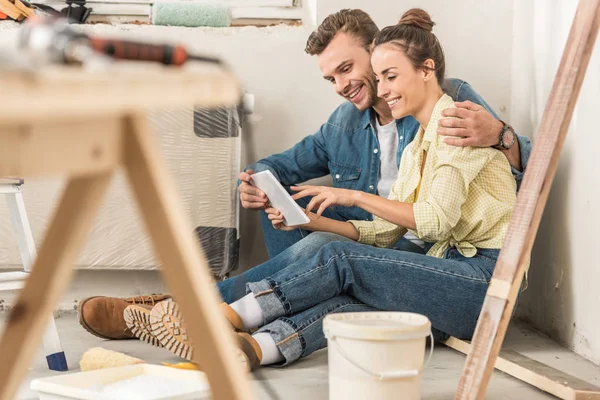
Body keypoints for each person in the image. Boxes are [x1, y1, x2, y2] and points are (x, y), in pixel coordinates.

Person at [76, 8, 530, 344]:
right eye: (330, 78)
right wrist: (256, 183)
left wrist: (503, 134)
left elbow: (523, 169)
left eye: (348, 69)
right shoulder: (342, 125)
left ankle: (187, 309)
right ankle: (219, 325)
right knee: (300, 218)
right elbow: (279, 166)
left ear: (378, 56)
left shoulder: (446, 104)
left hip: (429, 252)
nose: (341, 85)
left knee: (324, 249)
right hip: (374, 239)